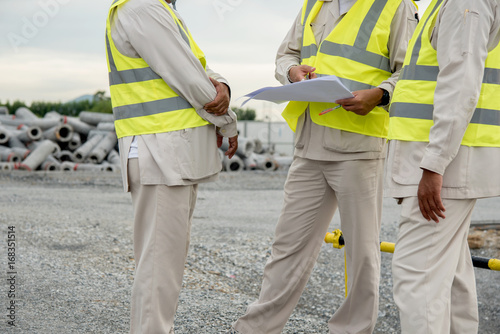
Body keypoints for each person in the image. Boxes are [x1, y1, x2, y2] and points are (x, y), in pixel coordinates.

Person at [231, 0, 417, 333]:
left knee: (361, 255)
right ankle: (255, 329)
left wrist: (380, 94)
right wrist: (291, 72)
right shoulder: (316, 4)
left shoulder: (396, 6)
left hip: (358, 147)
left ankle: (353, 329)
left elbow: (412, 72)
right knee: (287, 248)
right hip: (310, 143)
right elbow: (286, 54)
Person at [105, 0, 238, 333]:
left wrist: (224, 85)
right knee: (158, 273)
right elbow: (191, 78)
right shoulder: (143, 8)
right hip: (160, 152)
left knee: (161, 268)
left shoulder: (156, 9)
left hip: (167, 153)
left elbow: (197, 66)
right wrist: (228, 122)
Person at [386, 0, 500, 332]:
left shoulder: (465, 3)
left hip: (445, 163)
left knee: (416, 275)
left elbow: (461, 84)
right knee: (451, 274)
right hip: (442, 159)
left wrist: (433, 166)